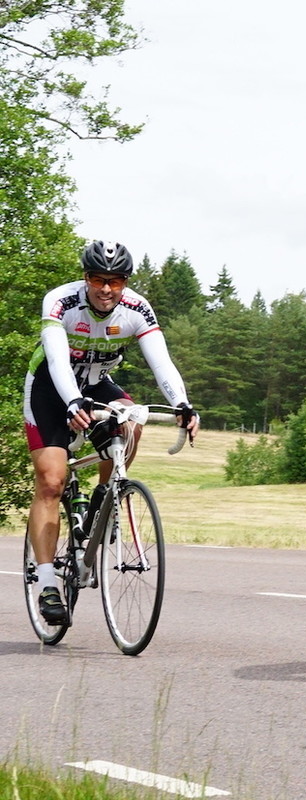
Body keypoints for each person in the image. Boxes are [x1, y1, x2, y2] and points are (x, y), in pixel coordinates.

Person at [23, 241, 199, 628]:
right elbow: (57, 359)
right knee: (52, 481)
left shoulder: (137, 308)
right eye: (98, 280)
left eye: (115, 281)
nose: (106, 289)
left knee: (132, 420)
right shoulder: (61, 302)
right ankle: (48, 584)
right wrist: (73, 401)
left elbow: (161, 362)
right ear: (85, 278)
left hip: (98, 384)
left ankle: (106, 494)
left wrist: (183, 404)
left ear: (125, 283)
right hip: (50, 388)